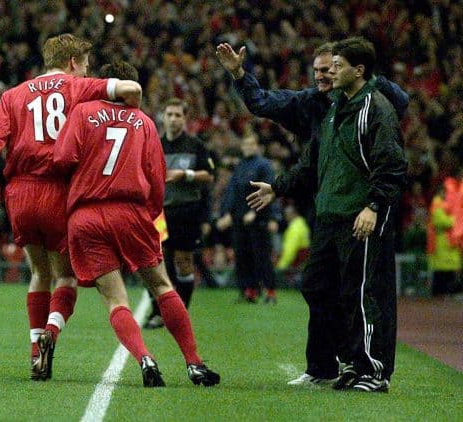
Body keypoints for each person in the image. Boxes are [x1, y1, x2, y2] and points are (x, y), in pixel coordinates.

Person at [217, 40, 409, 386]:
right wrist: (277, 186)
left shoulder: (374, 106)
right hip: (328, 209)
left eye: (334, 67)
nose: (326, 74)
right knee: (316, 285)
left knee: (362, 292)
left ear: (357, 70)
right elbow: (305, 155)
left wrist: (374, 205)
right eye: (321, 69)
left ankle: (370, 370)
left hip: (360, 209)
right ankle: (332, 364)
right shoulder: (325, 106)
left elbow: (393, 155)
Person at [0, 33, 143, 381]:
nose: (86, 70)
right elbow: (128, 89)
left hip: (20, 193)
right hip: (59, 190)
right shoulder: (76, 86)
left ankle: (35, 350)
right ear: (71, 63)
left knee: (38, 273)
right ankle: (51, 333)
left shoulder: (13, 95)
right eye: (84, 64)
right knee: (65, 275)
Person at [53, 61, 220, 388]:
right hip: (130, 211)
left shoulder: (83, 113)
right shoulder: (144, 122)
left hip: (86, 216)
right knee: (161, 285)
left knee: (116, 300)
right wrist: (152, 213)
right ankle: (194, 363)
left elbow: (61, 160)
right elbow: (157, 177)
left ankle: (144, 357)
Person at [143, 97, 215, 329]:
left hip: (186, 211)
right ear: (163, 117)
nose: (173, 119)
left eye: (178, 115)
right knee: (157, 262)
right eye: (170, 114)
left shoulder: (196, 146)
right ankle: (158, 313)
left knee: (184, 261)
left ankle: (180, 312)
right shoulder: (153, 144)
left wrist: (187, 175)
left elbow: (209, 177)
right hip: (159, 213)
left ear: (185, 119)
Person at [216, 135, 277, 303]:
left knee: (261, 256)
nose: (248, 147)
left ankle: (270, 291)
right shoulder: (240, 166)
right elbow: (232, 192)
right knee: (242, 256)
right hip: (239, 218)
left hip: (258, 219)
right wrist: (227, 213)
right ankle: (249, 290)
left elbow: (269, 190)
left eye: (251, 144)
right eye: (245, 144)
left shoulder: (264, 165)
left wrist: (256, 212)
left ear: (256, 146)